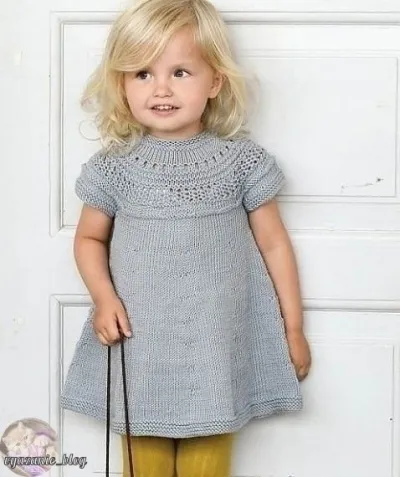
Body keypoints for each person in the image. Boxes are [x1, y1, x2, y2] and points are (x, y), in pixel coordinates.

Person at [60, 0, 312, 476]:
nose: (161, 88)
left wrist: (293, 328)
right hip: (140, 350)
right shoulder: (114, 168)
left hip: (215, 351)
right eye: (142, 73)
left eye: (180, 72)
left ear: (214, 81)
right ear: (121, 83)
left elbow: (274, 244)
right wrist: (103, 297)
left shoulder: (242, 163)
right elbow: (89, 239)